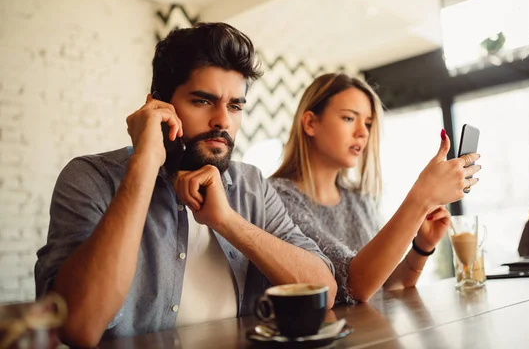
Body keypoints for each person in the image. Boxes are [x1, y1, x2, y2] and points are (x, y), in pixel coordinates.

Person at [34, 23, 337, 347]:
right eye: (203, 101)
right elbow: (78, 326)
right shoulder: (91, 178)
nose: (223, 120)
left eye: (235, 106)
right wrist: (145, 163)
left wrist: (227, 222)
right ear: (157, 106)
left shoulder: (251, 185)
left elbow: (325, 290)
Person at [270, 73, 481, 303]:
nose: (363, 132)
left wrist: (422, 247)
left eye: (368, 123)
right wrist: (421, 198)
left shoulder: (358, 200)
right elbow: (353, 287)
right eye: (349, 118)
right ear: (310, 123)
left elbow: (386, 286)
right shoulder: (276, 197)